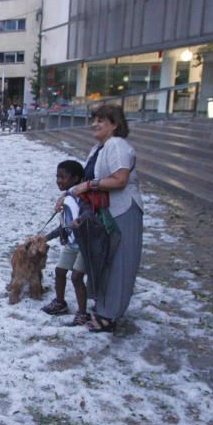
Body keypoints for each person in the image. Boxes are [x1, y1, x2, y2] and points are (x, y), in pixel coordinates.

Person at [69, 104, 144, 332]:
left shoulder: (117, 145)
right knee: (105, 260)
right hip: (105, 213)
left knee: (118, 263)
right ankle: (103, 307)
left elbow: (120, 179)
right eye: (95, 120)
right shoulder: (99, 148)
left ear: (115, 124)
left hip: (122, 211)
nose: (95, 124)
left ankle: (109, 315)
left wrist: (89, 185)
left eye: (101, 120)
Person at [42, 160, 89, 326]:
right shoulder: (67, 197)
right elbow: (64, 226)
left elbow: (89, 213)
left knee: (77, 277)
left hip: (85, 245)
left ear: (76, 178)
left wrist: (81, 220)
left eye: (63, 177)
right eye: (57, 177)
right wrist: (45, 237)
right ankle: (60, 302)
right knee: (60, 271)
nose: (59, 181)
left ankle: (82, 313)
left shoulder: (81, 196)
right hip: (71, 244)